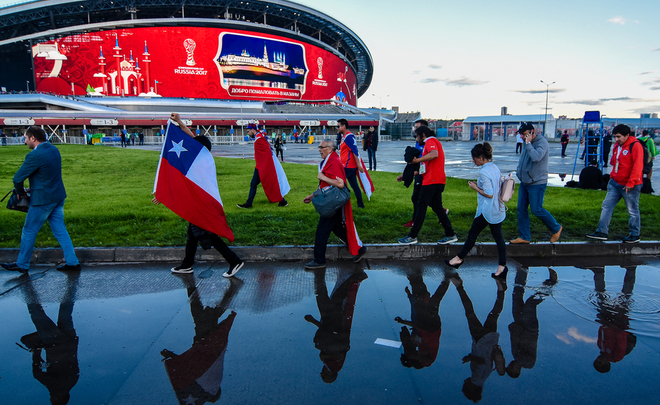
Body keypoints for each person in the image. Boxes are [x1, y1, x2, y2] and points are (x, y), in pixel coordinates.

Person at [154, 113, 244, 277]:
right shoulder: (203, 158)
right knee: (192, 235)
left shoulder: (197, 164)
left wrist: (162, 193)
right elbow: (194, 139)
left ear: (198, 148)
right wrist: (180, 122)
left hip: (200, 205)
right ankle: (187, 264)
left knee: (207, 234)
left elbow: (184, 184)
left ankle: (234, 261)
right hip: (200, 204)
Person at [1, 126, 80, 273]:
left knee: (29, 230)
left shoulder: (34, 155)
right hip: (57, 196)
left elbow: (17, 179)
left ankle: (22, 264)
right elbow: (47, 173)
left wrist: (21, 193)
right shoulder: (53, 150)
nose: (25, 141)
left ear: (33, 138)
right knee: (60, 230)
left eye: (25, 138)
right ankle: (72, 262)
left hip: (43, 200)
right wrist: (34, 186)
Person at [303, 139, 367, 269]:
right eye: (319, 146)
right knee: (337, 228)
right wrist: (312, 195)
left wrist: (323, 177)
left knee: (322, 231)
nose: (319, 149)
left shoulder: (334, 161)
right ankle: (359, 249)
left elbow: (340, 183)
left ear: (330, 149)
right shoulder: (330, 160)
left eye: (322, 147)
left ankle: (319, 260)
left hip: (332, 202)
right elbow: (326, 186)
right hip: (333, 200)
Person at [445, 143, 507, 278]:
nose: (473, 161)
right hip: (498, 209)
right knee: (498, 237)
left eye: (474, 158)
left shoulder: (484, 171)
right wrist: (479, 185)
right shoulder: (494, 167)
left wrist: (475, 188)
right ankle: (502, 267)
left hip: (487, 210)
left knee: (472, 234)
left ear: (481, 157)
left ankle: (458, 259)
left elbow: (489, 193)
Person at [398, 125, 457, 245]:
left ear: (423, 135)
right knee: (437, 208)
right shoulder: (431, 143)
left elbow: (434, 154)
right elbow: (426, 167)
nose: (416, 139)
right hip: (436, 180)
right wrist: (406, 176)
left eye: (416, 136)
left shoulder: (430, 141)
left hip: (432, 181)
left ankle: (412, 236)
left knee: (421, 207)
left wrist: (416, 161)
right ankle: (450, 234)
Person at [586, 124, 643, 243]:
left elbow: (637, 166)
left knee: (632, 210)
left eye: (619, 137)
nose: (616, 139)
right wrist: (612, 177)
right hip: (615, 182)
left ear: (627, 135)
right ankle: (602, 231)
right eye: (615, 137)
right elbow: (614, 162)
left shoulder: (635, 146)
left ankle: (634, 234)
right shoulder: (617, 146)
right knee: (606, 206)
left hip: (629, 185)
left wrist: (631, 182)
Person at [510, 122, 562, 244]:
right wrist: (519, 171)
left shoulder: (542, 142)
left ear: (532, 131)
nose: (522, 137)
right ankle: (524, 237)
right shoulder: (526, 143)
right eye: (521, 134)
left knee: (536, 209)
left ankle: (556, 228)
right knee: (521, 209)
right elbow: (524, 159)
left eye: (524, 134)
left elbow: (536, 157)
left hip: (537, 182)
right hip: (525, 181)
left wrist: (528, 144)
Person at [237, 123, 289, 209]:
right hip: (263, 166)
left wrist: (263, 166)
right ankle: (282, 201)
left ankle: (249, 204)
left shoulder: (259, 139)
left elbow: (265, 155)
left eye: (248, 131)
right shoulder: (260, 137)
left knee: (258, 184)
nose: (247, 133)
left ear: (253, 130)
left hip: (262, 167)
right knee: (262, 183)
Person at [337, 118, 367, 208]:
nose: (337, 128)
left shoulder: (349, 137)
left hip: (348, 166)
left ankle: (340, 203)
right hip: (347, 165)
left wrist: (358, 164)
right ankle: (360, 204)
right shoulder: (344, 137)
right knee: (354, 185)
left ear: (344, 126)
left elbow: (355, 151)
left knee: (338, 184)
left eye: (338, 126)